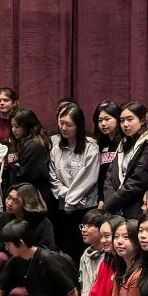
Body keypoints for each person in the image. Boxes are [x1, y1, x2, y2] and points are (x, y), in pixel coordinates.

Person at [48, 103, 99, 263]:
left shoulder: (91, 147)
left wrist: (73, 199)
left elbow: (89, 178)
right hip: (63, 208)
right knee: (67, 250)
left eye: (69, 124)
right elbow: (53, 177)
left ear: (79, 125)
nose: (64, 128)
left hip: (85, 207)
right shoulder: (55, 148)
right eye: (61, 123)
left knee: (85, 250)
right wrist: (68, 196)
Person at [101, 102, 148, 218]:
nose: (125, 124)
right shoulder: (123, 143)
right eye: (122, 121)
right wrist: (109, 200)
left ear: (142, 121)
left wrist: (111, 203)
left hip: (136, 207)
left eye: (130, 119)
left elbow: (138, 180)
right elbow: (110, 175)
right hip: (116, 208)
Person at [2, 108, 54, 208]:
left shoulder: (34, 145)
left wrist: (14, 164)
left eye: (17, 127)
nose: (13, 130)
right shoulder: (22, 142)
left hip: (34, 200)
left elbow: (24, 176)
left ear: (28, 126)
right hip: (26, 197)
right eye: (12, 126)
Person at [73, 209, 112, 296]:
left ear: (102, 229)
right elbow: (83, 288)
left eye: (89, 226)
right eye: (82, 226)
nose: (83, 229)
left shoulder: (111, 257)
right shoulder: (84, 257)